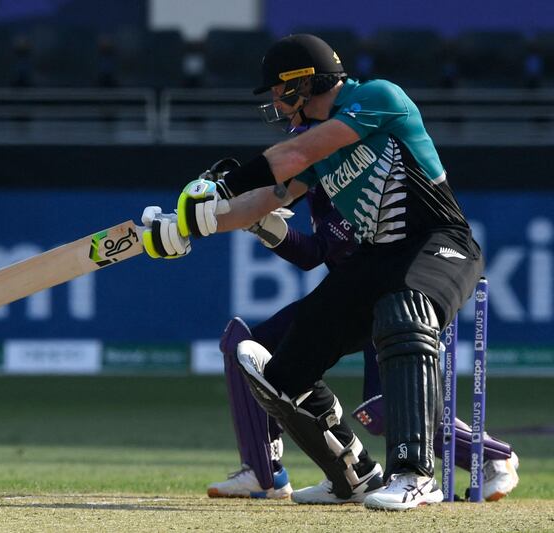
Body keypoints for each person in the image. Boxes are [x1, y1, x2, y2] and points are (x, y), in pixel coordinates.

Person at [141, 33, 485, 510]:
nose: (279, 107)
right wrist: (186, 226)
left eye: (281, 94)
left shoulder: (376, 98)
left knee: (403, 310)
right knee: (282, 368)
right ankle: (353, 475)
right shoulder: (311, 143)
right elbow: (261, 203)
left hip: (440, 243)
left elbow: (293, 158)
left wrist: (221, 185)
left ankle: (414, 473)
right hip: (376, 260)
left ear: (305, 83)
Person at [204, 176, 519, 502]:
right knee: (246, 348)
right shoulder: (314, 174)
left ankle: (490, 455)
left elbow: (318, 251)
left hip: (389, 292)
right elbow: (310, 246)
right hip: (347, 298)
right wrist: (240, 213)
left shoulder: (355, 172)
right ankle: (265, 472)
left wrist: (259, 220)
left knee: (382, 409)